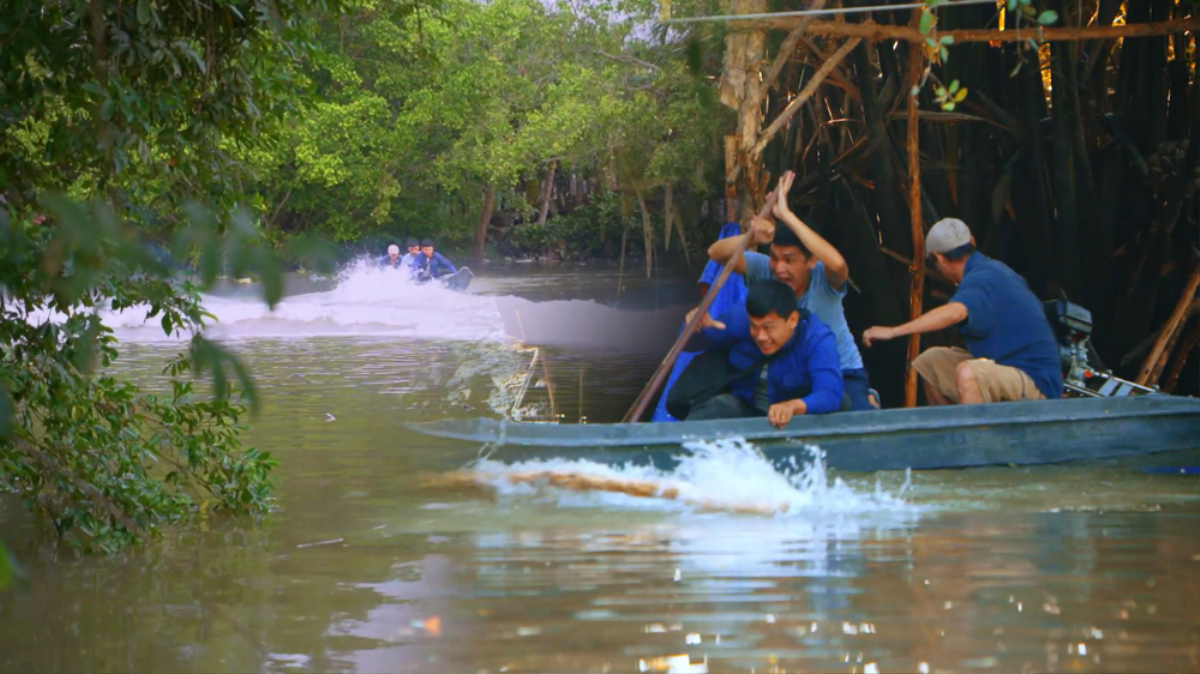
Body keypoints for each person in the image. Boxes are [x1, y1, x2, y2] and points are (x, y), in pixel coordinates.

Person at [708, 171, 877, 410]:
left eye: (789, 260)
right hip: (789, 370)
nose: (779, 268)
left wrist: (786, 216)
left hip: (841, 369)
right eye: (775, 258)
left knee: (855, 420)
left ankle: (869, 398)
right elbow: (717, 253)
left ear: (811, 261)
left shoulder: (823, 277)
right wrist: (752, 237)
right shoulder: (764, 268)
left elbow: (839, 265)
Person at [861, 218, 1063, 404]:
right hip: (1006, 367)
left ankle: (973, 442)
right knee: (930, 363)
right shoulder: (989, 271)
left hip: (1035, 380)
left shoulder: (982, 278)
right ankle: (952, 434)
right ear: (972, 242)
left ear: (938, 259)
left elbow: (955, 312)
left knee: (970, 373)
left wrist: (894, 331)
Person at [677, 279, 843, 428]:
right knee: (718, 406)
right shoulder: (738, 320)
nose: (761, 337)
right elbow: (689, 345)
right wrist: (694, 327)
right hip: (746, 411)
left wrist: (792, 406)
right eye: (754, 327)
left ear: (792, 320)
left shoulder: (817, 338)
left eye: (768, 327)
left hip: (795, 420)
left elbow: (829, 394)